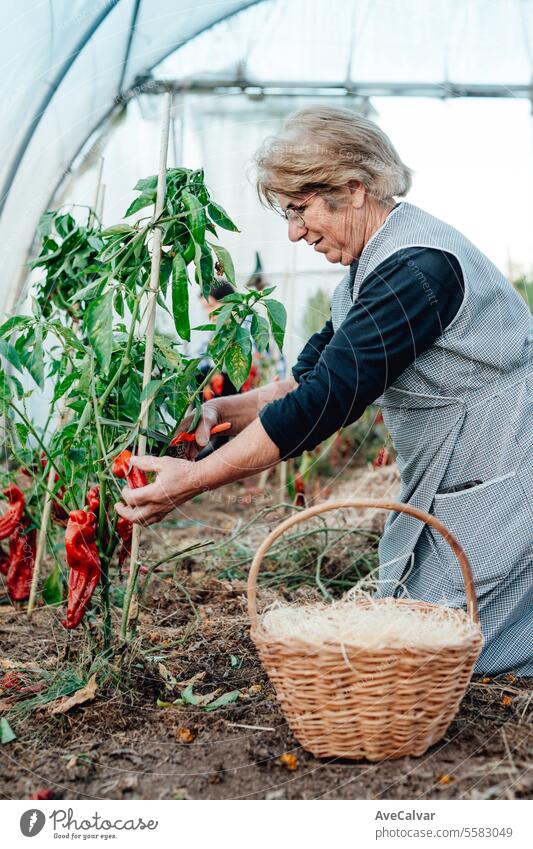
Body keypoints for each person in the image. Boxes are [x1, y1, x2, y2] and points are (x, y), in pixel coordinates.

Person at [116, 106, 532, 676]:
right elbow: (309, 381)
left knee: (450, 653)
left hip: (503, 463)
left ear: (354, 189)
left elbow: (324, 404)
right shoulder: (373, 267)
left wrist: (193, 482)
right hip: (455, 471)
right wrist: (221, 411)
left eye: (300, 208)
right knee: (416, 628)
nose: (293, 231)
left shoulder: (416, 271)